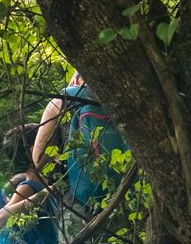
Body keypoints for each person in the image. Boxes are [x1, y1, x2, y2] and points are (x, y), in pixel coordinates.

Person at [32, 72, 129, 231]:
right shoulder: (123, 100)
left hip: (78, 202)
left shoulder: (64, 99)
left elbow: (38, 159)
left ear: (77, 79)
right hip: (123, 196)